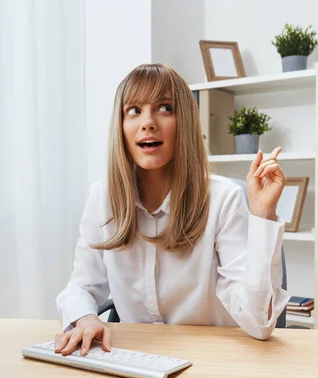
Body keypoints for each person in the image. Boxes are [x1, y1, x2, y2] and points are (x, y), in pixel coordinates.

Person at [54, 63, 290, 357]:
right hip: (135, 359)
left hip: (210, 361)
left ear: (185, 122)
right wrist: (86, 318)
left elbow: (258, 323)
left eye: (164, 108)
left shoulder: (222, 200)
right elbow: (81, 287)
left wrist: (262, 215)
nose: (148, 122)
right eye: (134, 110)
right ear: (121, 126)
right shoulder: (102, 197)